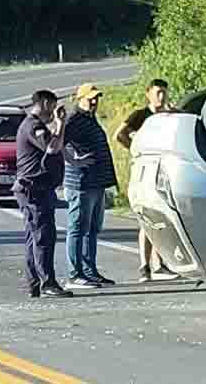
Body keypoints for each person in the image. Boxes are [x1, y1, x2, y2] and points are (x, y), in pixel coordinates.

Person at [113, 78, 179, 283]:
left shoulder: (169, 116)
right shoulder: (140, 115)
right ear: (148, 93)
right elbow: (119, 134)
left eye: (164, 92)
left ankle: (160, 264)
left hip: (164, 172)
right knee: (146, 219)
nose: (162, 96)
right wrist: (134, 149)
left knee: (162, 218)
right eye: (158, 92)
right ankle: (145, 266)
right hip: (145, 172)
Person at [12, 89, 73, 298]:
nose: (54, 111)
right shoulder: (33, 126)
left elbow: (55, 145)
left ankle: (35, 283)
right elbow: (53, 147)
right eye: (53, 106)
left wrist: (57, 124)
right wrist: (61, 123)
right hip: (33, 191)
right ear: (46, 103)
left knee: (35, 237)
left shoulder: (34, 125)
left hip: (38, 189)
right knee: (43, 237)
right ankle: (47, 283)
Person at [61, 84, 117, 289]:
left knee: (92, 229)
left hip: (96, 182)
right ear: (80, 98)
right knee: (77, 228)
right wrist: (73, 160)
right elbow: (57, 143)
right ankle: (75, 274)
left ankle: (89, 271)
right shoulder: (73, 119)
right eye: (90, 98)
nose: (94, 102)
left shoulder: (89, 118)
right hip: (80, 183)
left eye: (96, 98)